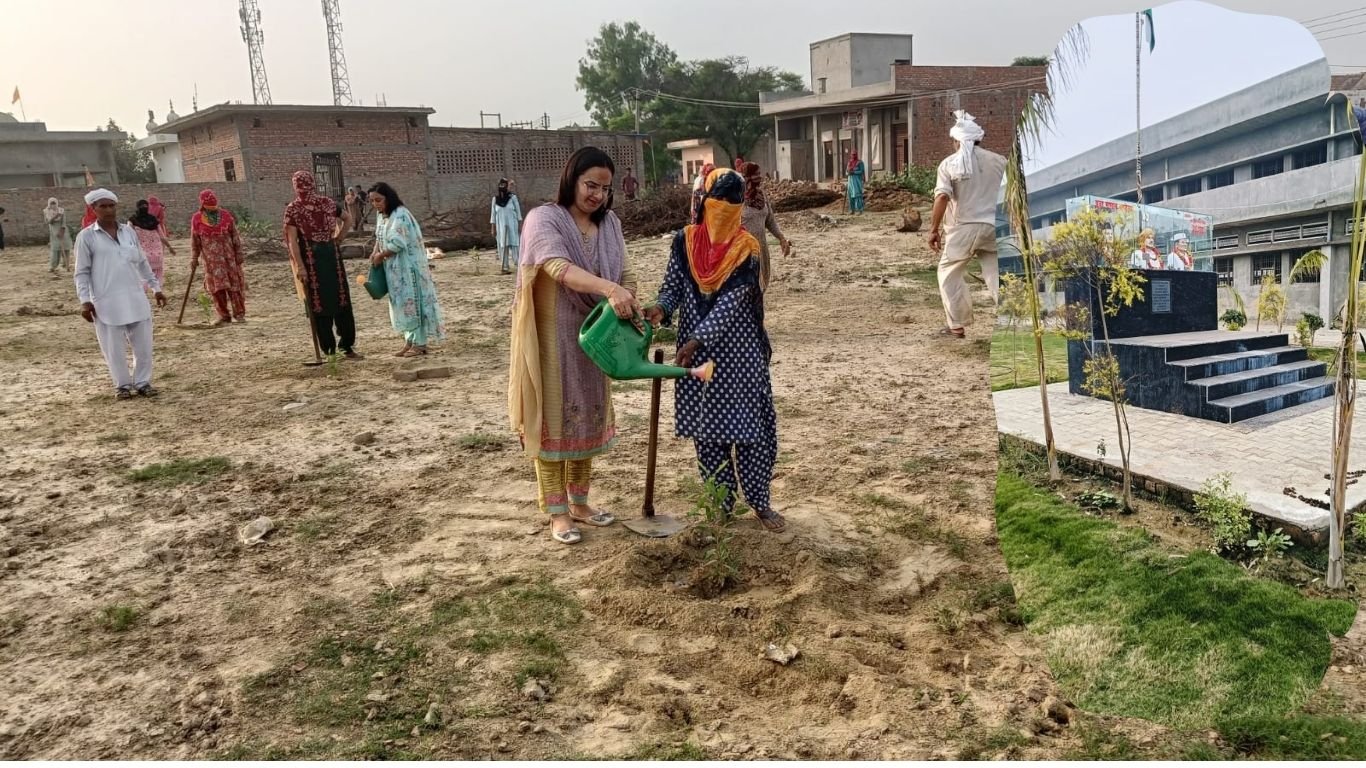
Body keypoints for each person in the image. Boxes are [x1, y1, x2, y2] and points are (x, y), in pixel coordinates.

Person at [509, 146, 641, 545]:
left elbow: (626, 270)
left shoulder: (610, 224)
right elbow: (557, 268)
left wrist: (631, 297)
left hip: (596, 335)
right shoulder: (544, 219)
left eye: (605, 188)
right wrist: (610, 289)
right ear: (571, 179)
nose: (597, 195)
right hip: (554, 337)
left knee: (586, 416)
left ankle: (581, 503)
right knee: (552, 421)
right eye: (590, 185)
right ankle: (557, 512)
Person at [644, 168, 787, 533]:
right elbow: (673, 285)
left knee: (751, 431)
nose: (725, 209)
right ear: (704, 202)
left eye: (733, 203)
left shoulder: (746, 249)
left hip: (740, 357)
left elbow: (732, 302)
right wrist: (661, 308)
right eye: (719, 201)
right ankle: (721, 505)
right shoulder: (684, 241)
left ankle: (759, 502)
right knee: (709, 434)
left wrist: (696, 339)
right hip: (697, 360)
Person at [74, 189, 167, 399]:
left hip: (135, 297)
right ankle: (122, 386)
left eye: (111, 205)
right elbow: (81, 272)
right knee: (114, 349)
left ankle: (143, 383)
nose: (108, 210)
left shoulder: (128, 232)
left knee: (143, 346)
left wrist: (156, 288)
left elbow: (142, 262)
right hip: (107, 301)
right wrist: (85, 301)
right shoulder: (86, 237)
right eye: (103, 206)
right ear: (93, 209)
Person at [928, 110, 1007, 339]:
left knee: (949, 272)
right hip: (995, 227)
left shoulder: (949, 164)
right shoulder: (999, 161)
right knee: (996, 275)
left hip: (963, 228)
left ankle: (957, 326)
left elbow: (942, 197)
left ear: (956, 141)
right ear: (978, 139)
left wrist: (933, 230)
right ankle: (1015, 319)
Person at [284, 170, 360, 359]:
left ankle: (330, 350)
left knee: (321, 303)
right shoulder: (327, 202)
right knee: (339, 298)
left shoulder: (293, 208)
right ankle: (345, 346)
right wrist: (338, 238)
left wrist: (300, 267)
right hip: (330, 254)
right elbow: (348, 218)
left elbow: (292, 241)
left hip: (312, 259)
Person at [369, 182, 447, 356]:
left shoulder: (401, 215)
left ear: (388, 198)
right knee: (401, 303)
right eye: (372, 201)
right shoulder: (382, 216)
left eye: (378, 200)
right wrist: (375, 252)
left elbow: (398, 243)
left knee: (412, 302)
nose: (375, 204)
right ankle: (409, 340)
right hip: (394, 268)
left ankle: (420, 344)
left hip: (408, 267)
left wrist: (381, 256)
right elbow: (379, 237)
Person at [191, 189, 248, 325]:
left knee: (234, 287)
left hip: (229, 259)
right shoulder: (197, 219)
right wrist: (194, 258)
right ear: (203, 205)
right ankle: (224, 316)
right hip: (212, 262)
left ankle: (239, 314)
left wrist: (239, 253)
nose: (213, 210)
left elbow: (235, 236)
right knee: (217, 289)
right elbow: (195, 241)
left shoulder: (226, 216)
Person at [738, 162, 791, 292]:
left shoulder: (761, 195)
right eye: (755, 174)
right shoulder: (737, 198)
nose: (759, 177)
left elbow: (770, 220)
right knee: (747, 291)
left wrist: (781, 239)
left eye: (759, 174)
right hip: (743, 252)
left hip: (761, 249)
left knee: (761, 288)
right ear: (747, 176)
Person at [129, 199, 176, 285]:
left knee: (142, 277)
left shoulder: (132, 220)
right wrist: (170, 247)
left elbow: (128, 237)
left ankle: (145, 293)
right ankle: (158, 292)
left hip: (142, 254)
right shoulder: (153, 220)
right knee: (158, 276)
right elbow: (162, 236)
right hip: (157, 253)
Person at [491, 178, 524, 274]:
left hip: (512, 225)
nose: (502, 187)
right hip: (501, 226)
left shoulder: (512, 198)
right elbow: (493, 214)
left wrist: (520, 224)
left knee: (515, 244)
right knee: (503, 245)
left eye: (504, 185)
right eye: (500, 185)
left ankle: (519, 264)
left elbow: (518, 212)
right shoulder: (495, 199)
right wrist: (493, 228)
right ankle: (505, 266)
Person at [44, 198, 72, 273]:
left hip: (63, 231)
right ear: (49, 204)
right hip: (54, 231)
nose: (53, 205)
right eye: (51, 203)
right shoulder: (46, 211)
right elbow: (48, 222)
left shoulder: (61, 210)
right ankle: (53, 266)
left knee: (66, 248)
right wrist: (56, 216)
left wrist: (62, 230)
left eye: (54, 203)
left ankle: (66, 264)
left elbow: (64, 221)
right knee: (55, 249)